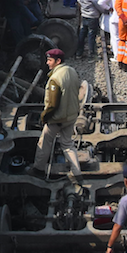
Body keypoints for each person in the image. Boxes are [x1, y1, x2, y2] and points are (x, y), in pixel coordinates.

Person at [34, 49, 82, 179]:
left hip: (57, 119)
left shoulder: (55, 79)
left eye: (50, 60)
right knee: (68, 144)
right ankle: (77, 173)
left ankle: (38, 170)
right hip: (71, 116)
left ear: (58, 61)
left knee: (45, 142)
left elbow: (52, 105)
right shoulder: (72, 71)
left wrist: (44, 117)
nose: (47, 63)